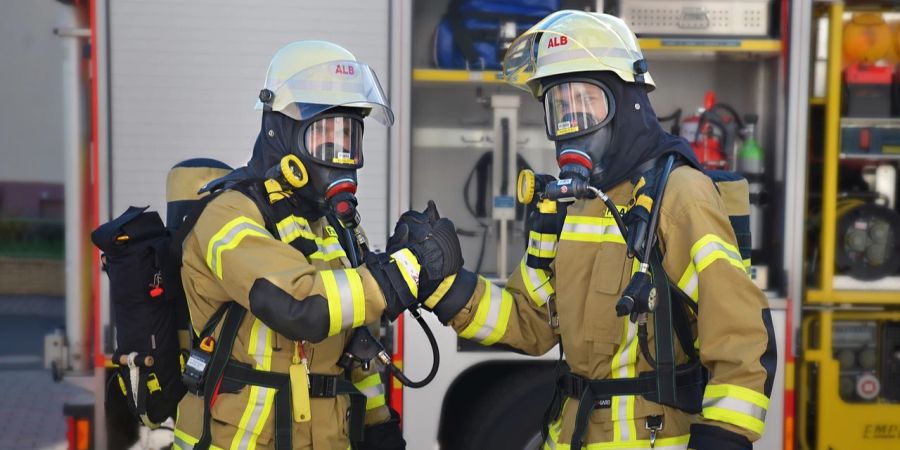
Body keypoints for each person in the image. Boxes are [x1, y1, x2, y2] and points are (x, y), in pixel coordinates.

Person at [393, 11, 777, 450]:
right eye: (560, 106)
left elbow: (742, 340)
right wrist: (444, 284)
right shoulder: (566, 206)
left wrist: (723, 441)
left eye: (586, 102)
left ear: (628, 103)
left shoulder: (680, 196)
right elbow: (530, 321)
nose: (572, 121)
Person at [173, 40, 460, 450]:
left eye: (349, 138)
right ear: (281, 133)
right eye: (323, 137)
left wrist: (378, 428)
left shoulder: (332, 227)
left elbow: (358, 348)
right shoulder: (230, 215)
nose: (339, 155)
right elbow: (300, 307)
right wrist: (405, 271)